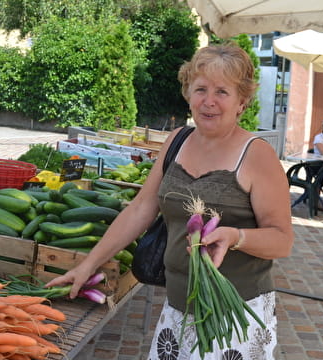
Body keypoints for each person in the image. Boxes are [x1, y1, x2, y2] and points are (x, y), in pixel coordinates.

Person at [45, 44, 294, 359]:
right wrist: (87, 266)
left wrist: (235, 236)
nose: (209, 101)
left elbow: (282, 240)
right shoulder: (178, 141)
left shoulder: (257, 155)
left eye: (222, 92)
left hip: (234, 312)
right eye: (200, 89)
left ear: (242, 101)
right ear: (188, 93)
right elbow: (140, 210)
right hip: (177, 307)